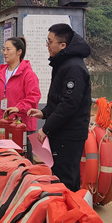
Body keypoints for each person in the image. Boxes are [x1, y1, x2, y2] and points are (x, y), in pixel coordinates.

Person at [27, 23, 91, 191]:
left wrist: (46, 129)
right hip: (63, 133)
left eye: (49, 41)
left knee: (65, 180)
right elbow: (59, 98)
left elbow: (69, 104)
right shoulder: (63, 63)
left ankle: (66, 215)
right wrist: (43, 113)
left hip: (69, 135)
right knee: (62, 175)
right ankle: (68, 213)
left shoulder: (74, 67)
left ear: (63, 45)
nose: (47, 45)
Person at [0, 37, 41, 148]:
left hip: (22, 126)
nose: (5, 53)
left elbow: (34, 97)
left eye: (8, 49)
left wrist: (18, 108)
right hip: (4, 125)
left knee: (21, 160)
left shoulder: (28, 74)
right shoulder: (2, 73)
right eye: (4, 49)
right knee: (6, 160)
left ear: (19, 52)